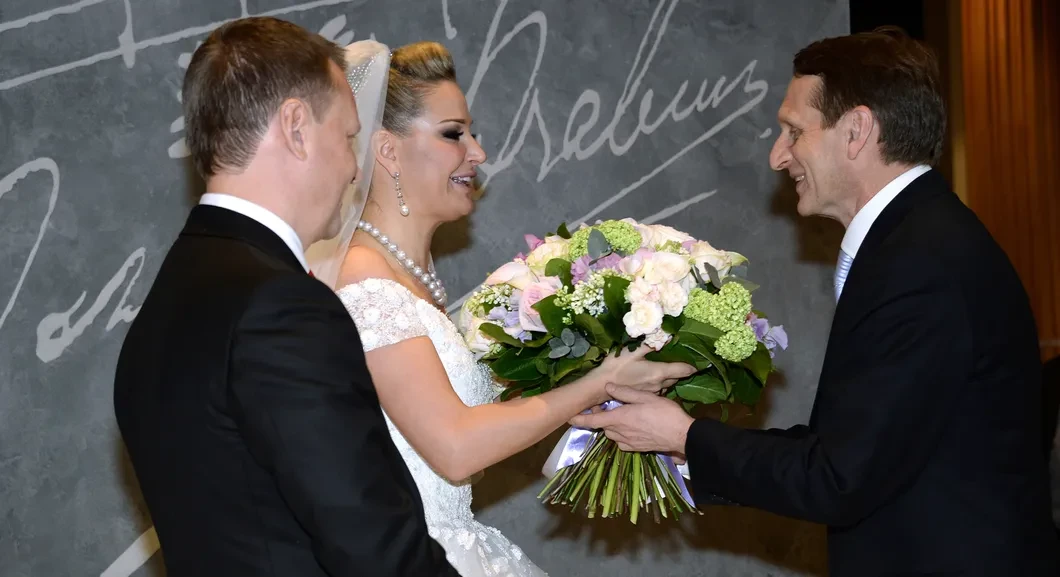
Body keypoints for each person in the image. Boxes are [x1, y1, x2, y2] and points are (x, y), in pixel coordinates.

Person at [568, 27, 1060, 577]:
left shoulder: (921, 263)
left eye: (794, 131)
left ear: (856, 131)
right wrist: (684, 447)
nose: (778, 156)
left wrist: (684, 436)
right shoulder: (918, 241)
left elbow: (838, 478)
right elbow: (850, 449)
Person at [306, 40, 694, 577]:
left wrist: (590, 359)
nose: (478, 153)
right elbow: (455, 448)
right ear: (388, 151)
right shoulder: (365, 279)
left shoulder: (412, 279)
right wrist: (601, 381)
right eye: (453, 134)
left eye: (472, 133)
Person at [113, 17, 459, 577]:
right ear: (297, 127)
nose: (354, 171)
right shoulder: (283, 308)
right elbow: (379, 551)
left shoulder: (167, 301)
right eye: (347, 138)